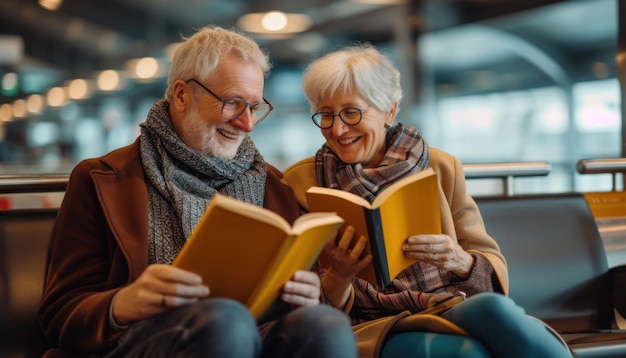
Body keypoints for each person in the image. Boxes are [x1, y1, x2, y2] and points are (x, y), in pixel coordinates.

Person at [38, 26, 357, 358]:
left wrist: (309, 296)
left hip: (254, 336)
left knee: (325, 324)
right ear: (181, 95)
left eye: (254, 107)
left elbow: (297, 305)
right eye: (233, 103)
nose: (247, 124)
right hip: (141, 343)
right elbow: (58, 314)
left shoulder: (273, 185)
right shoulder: (103, 179)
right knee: (225, 321)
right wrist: (121, 304)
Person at [282, 43, 573, 357]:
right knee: (468, 353)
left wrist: (460, 261)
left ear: (389, 110)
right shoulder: (301, 183)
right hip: (369, 325)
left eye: (351, 112)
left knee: (493, 308)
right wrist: (340, 274)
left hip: (442, 305)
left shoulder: (440, 166)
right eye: (326, 115)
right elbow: (307, 306)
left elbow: (488, 265)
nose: (337, 129)